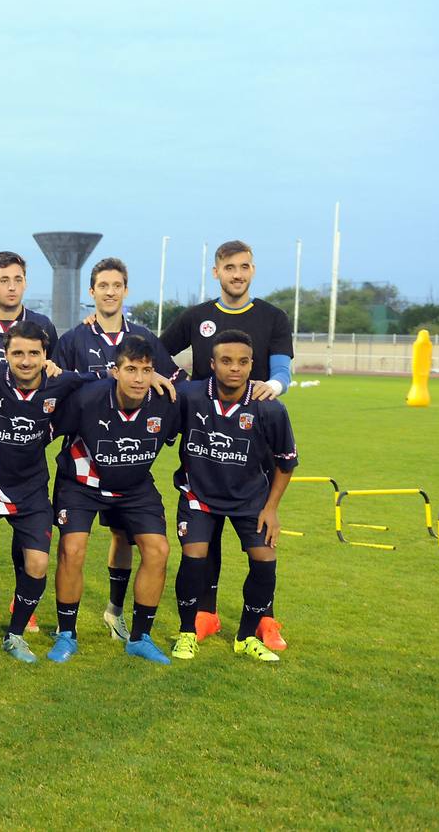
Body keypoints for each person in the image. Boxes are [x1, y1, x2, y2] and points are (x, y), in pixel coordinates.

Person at [159, 240, 293, 650]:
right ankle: (205, 614)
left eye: (244, 267)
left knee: (260, 539)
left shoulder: (272, 316)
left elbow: (282, 368)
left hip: (254, 434)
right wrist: (183, 385)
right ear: (216, 272)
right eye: (230, 267)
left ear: (253, 270)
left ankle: (264, 622)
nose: (238, 274)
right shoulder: (197, 316)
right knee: (206, 533)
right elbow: (159, 352)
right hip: (205, 428)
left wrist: (272, 387)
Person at [0, 322, 92, 662]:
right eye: (18, 353)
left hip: (30, 490)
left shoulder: (60, 382)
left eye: (33, 353)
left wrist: (153, 378)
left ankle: (14, 635)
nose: (26, 361)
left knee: (38, 563)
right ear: (5, 354)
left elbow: (105, 381)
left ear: (45, 356)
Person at [59, 256, 180, 642]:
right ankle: (66, 630)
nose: (110, 292)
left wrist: (155, 375)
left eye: (116, 286)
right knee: (74, 547)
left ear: (126, 291)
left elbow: (174, 383)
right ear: (91, 292)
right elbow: (57, 385)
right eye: (103, 286)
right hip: (86, 460)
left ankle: (115, 611)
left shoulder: (144, 338)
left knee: (122, 537)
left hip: (127, 465)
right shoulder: (75, 338)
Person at [170, 330, 297, 663]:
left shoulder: (269, 408)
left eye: (243, 362)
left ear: (252, 365)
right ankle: (187, 633)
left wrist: (271, 509)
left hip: (251, 500)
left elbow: (286, 463)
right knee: (194, 556)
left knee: (265, 560)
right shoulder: (190, 396)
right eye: (226, 361)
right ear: (212, 364)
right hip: (199, 495)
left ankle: (246, 637)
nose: (235, 368)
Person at [0, 251, 57, 364]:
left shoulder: (43, 325)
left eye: (18, 280)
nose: (12, 287)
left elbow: (54, 369)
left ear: (25, 283)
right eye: (4, 281)